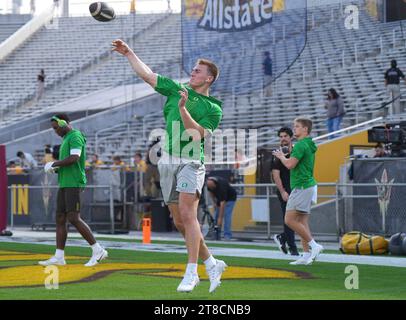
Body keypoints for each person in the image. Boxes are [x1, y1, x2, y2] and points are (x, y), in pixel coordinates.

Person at [112, 39, 226, 293]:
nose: (193, 72)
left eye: (198, 70)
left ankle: (192, 272)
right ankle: (212, 262)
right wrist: (130, 53)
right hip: (168, 161)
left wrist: (184, 110)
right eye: (194, 69)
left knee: (188, 214)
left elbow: (196, 134)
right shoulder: (177, 89)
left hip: (191, 161)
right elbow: (149, 76)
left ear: (209, 79)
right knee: (179, 222)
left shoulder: (213, 108)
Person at [39, 114, 108, 267]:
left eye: (56, 127)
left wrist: (54, 163)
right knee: (60, 217)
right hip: (65, 182)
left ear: (64, 123)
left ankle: (98, 250)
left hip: (74, 182)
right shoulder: (66, 139)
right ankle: (59, 256)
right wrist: (55, 169)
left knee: (73, 217)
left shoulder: (75, 136)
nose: (55, 131)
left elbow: (74, 158)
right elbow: (68, 163)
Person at [273, 118, 323, 265]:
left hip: (302, 186)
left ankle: (314, 246)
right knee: (302, 221)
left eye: (297, 127)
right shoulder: (307, 143)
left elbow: (289, 165)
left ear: (305, 129)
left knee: (289, 220)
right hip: (307, 185)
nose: (294, 129)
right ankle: (307, 254)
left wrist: (282, 156)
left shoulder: (301, 145)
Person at [271, 127, 299, 256]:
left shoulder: (296, 150)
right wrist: (282, 191)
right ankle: (293, 248)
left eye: (285, 136)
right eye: (281, 136)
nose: (283, 139)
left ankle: (282, 237)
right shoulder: (277, 153)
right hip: (285, 190)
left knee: (295, 218)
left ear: (291, 137)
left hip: (296, 189)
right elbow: (275, 175)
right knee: (289, 219)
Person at [206, 176, 237, 241]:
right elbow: (211, 192)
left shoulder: (222, 187)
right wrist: (214, 203)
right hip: (220, 199)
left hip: (230, 198)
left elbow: (222, 204)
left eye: (212, 187)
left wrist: (220, 218)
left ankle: (227, 235)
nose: (211, 188)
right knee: (215, 216)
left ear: (214, 184)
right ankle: (216, 234)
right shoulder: (209, 185)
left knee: (226, 216)